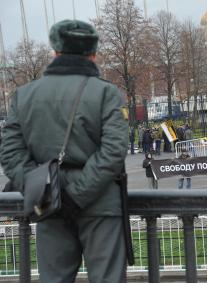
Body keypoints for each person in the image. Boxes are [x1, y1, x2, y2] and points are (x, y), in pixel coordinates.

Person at [0, 20, 128, 282]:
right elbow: (113, 151)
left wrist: (43, 190)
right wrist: (78, 195)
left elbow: (11, 151)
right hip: (100, 203)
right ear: (92, 54)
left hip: (48, 204)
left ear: (55, 52)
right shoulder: (106, 93)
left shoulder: (23, 95)